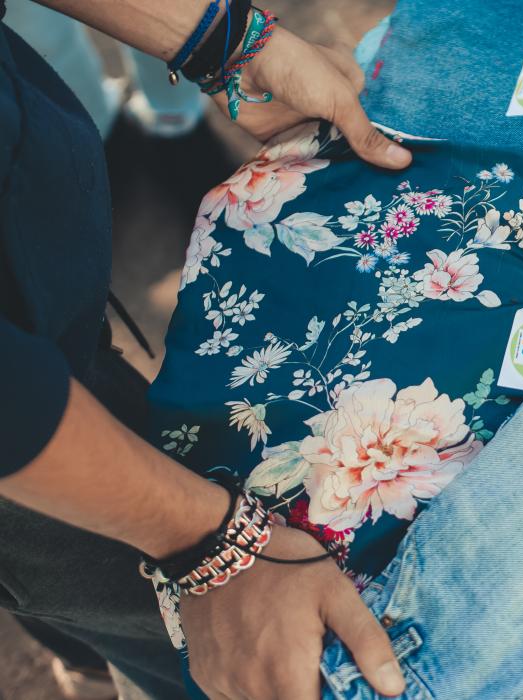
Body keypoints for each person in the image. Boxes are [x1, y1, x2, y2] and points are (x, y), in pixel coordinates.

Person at [0, 0, 412, 698]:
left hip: (47, 317)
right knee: (209, 633)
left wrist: (230, 45)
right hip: (24, 464)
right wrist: (210, 546)